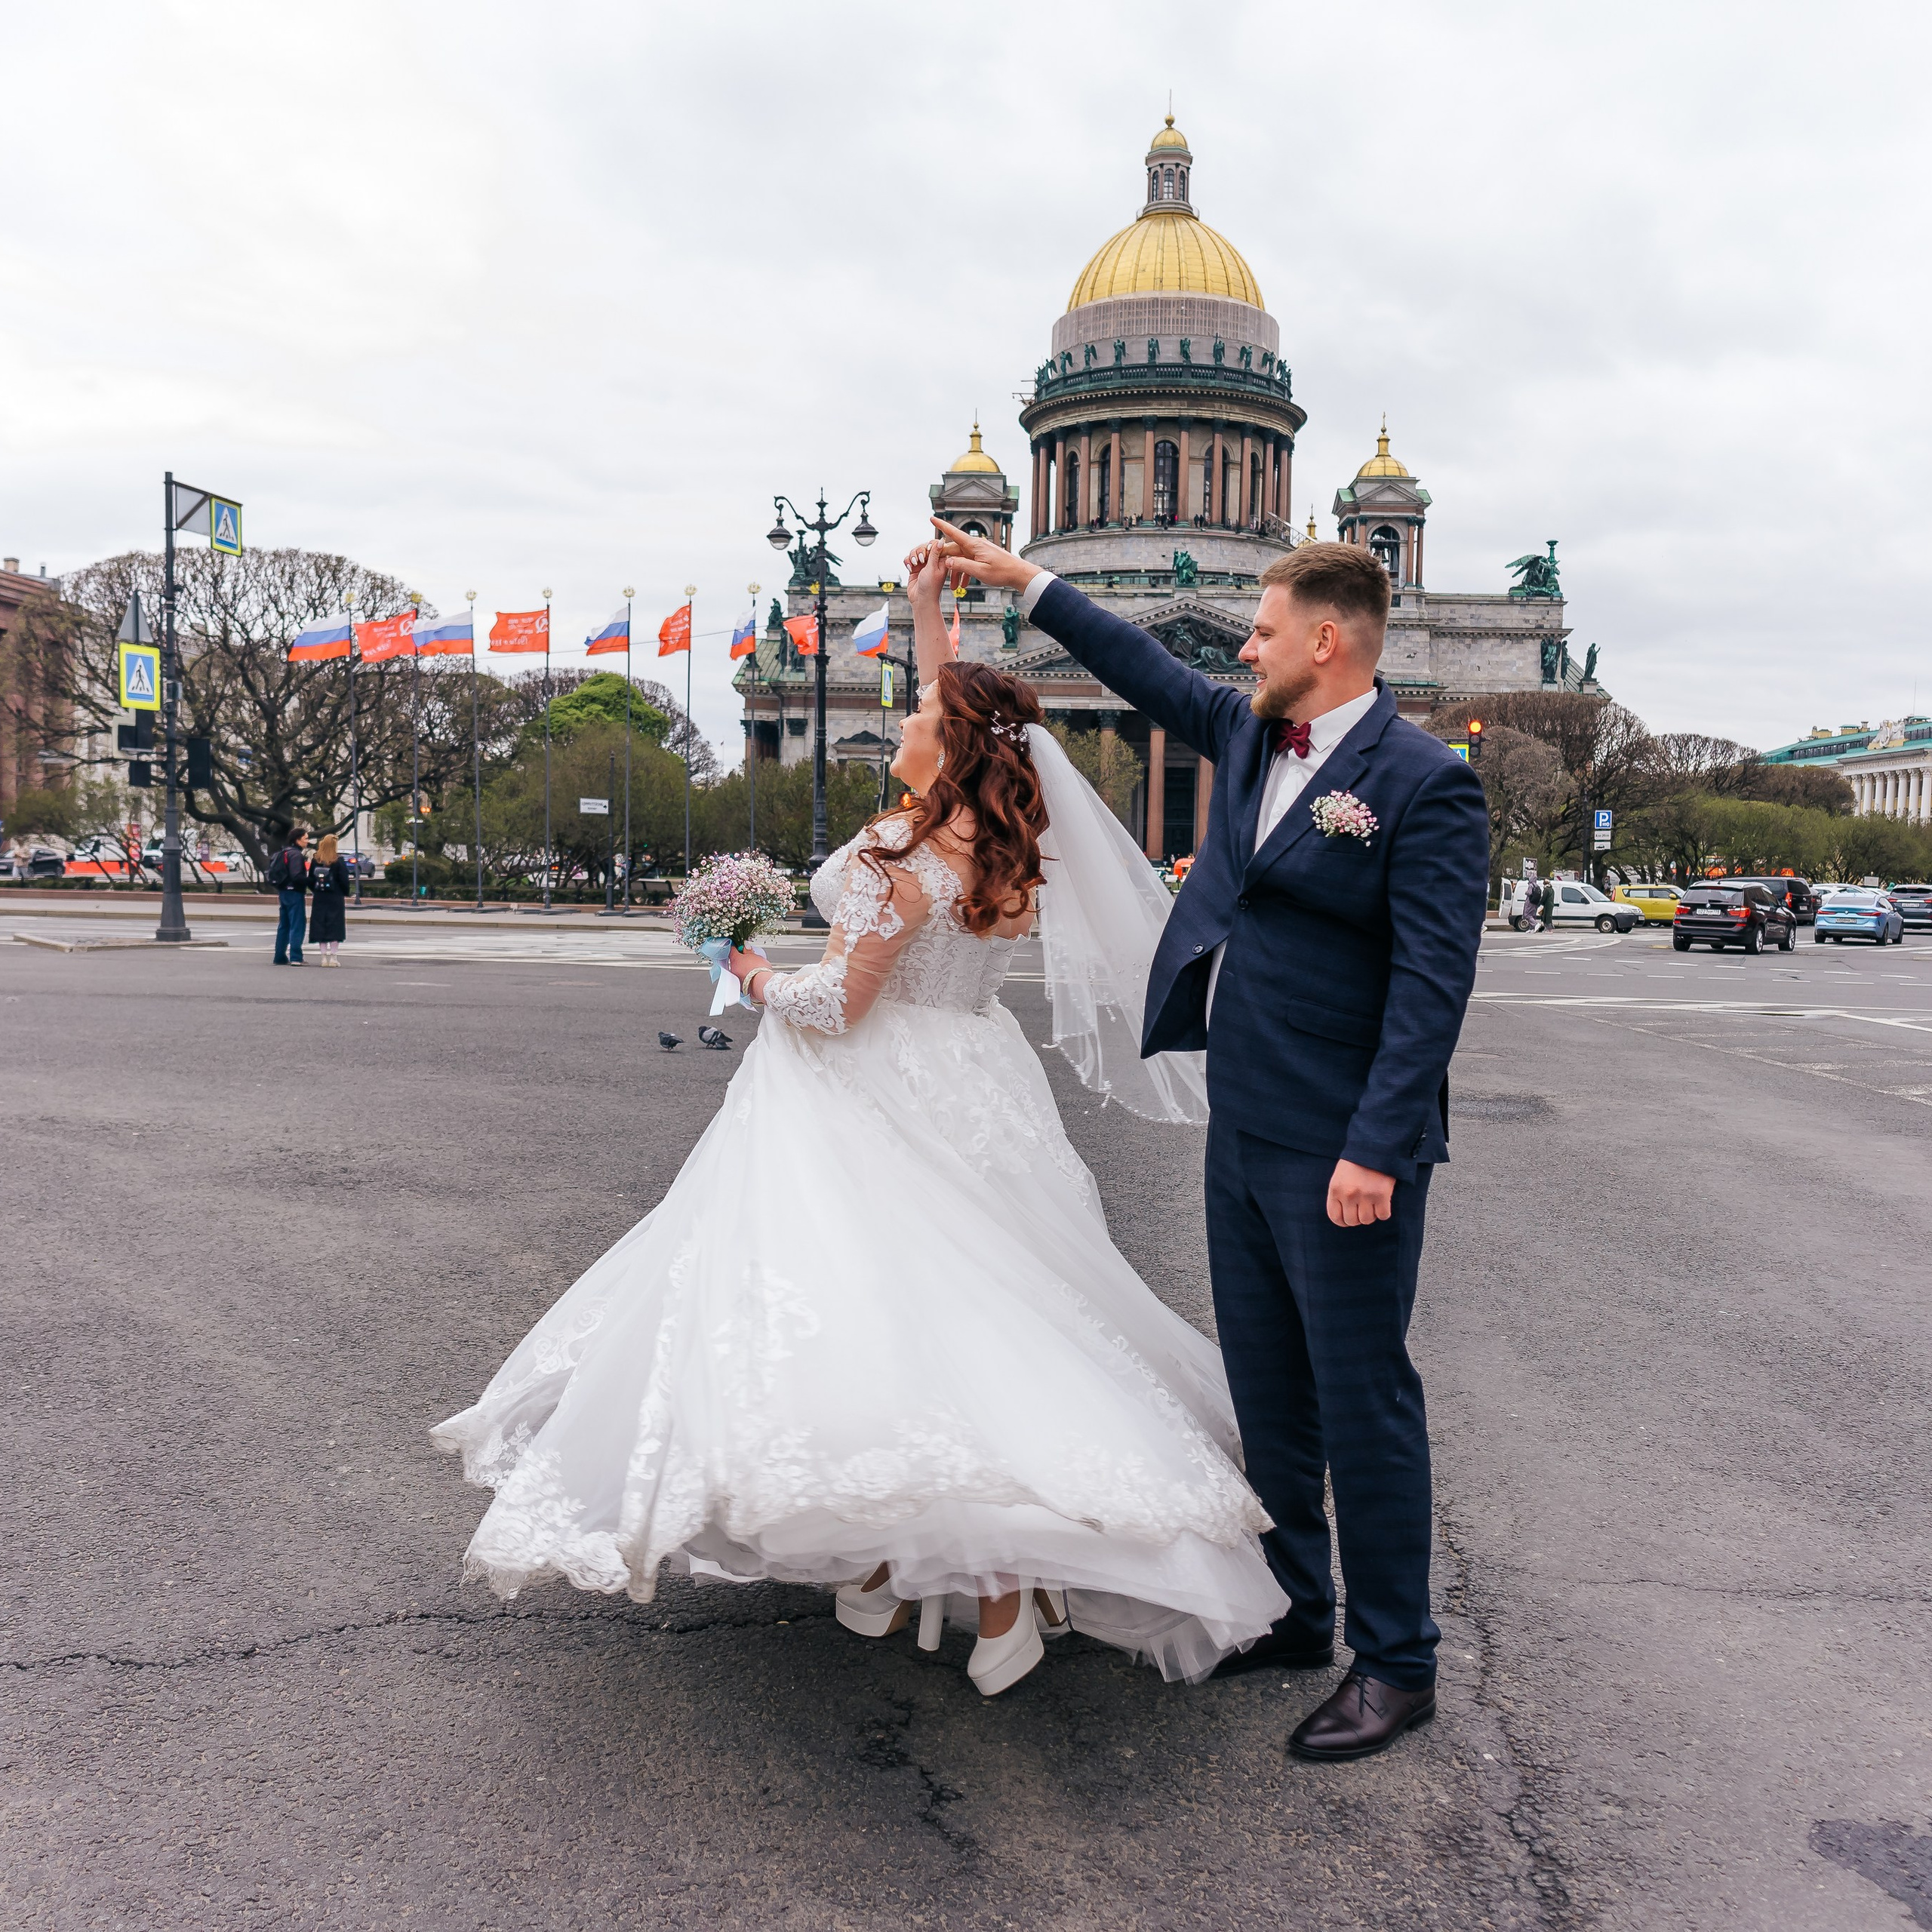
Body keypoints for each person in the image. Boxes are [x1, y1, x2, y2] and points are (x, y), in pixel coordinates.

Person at [433, 539, 1287, 1700]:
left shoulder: (897, 853)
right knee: (981, 1305)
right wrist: (934, 609)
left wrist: (746, 970)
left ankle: (958, 1575)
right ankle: (924, 1578)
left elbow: (837, 1004)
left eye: (915, 719)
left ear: (951, 746)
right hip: (975, 1083)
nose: (897, 729)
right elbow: (967, 711)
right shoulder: (1001, 846)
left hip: (868, 1086)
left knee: (856, 1313)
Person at [929, 517, 1490, 1761]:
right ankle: (1298, 1608)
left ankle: (1399, 1664)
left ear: (1327, 642)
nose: (1246, 647)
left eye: (1267, 628)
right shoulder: (1250, 736)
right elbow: (1146, 672)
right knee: (1272, 1394)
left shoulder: (1422, 782)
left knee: (1363, 1402)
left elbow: (1431, 988)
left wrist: (1375, 1151)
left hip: (1343, 1147)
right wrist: (1027, 582)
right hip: (1245, 1125)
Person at [268, 828, 310, 965]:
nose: (307, 841)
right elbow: (297, 876)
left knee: (284, 925)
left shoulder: (283, 853)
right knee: (297, 925)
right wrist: (310, 881)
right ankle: (296, 957)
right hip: (295, 893)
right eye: (306, 838)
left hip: (283, 891)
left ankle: (279, 956)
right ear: (298, 840)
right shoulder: (296, 855)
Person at [309, 832, 351, 964]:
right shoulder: (338, 861)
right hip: (335, 897)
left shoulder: (316, 860)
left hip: (320, 897)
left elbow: (310, 879)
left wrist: (316, 890)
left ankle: (323, 958)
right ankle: (333, 957)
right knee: (335, 926)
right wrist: (345, 892)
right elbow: (344, 880)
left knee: (320, 925)